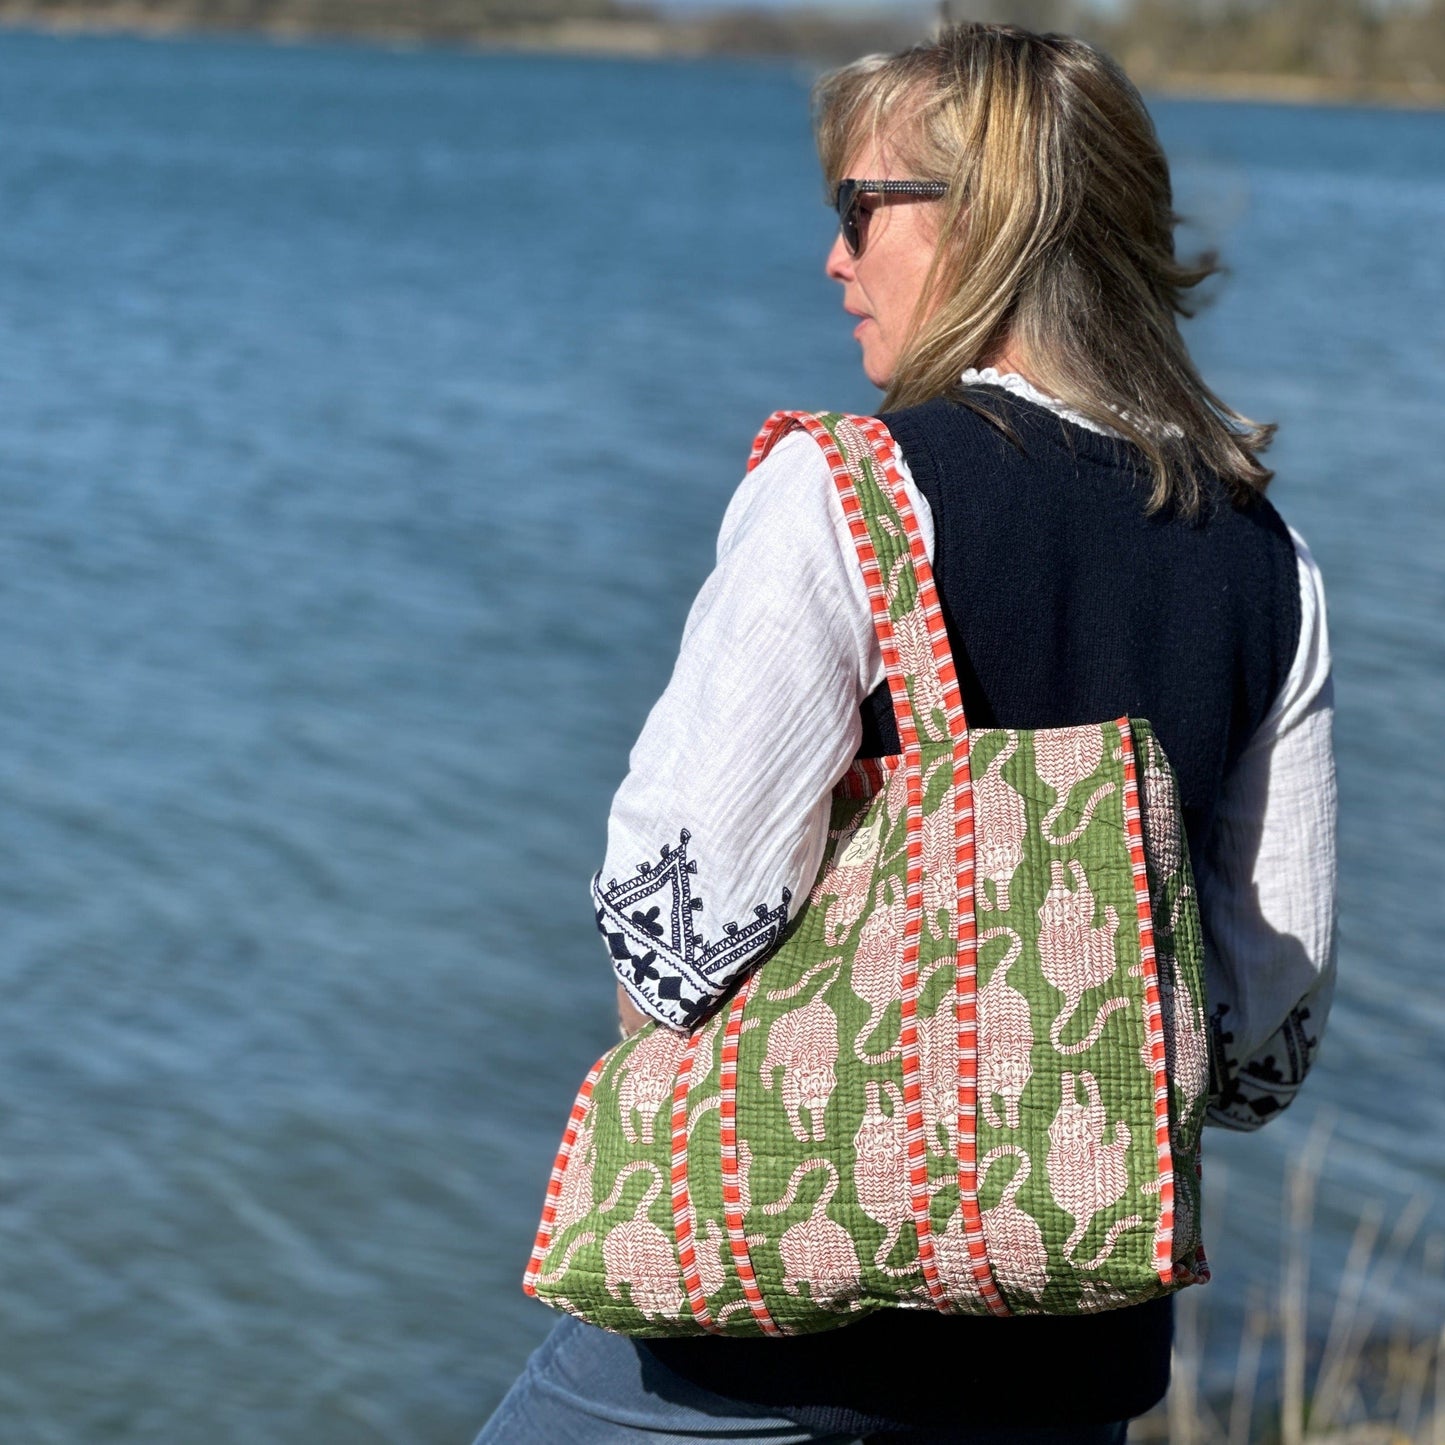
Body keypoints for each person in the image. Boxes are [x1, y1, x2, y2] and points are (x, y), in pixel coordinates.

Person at [475, 21, 1336, 1445]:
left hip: (753, 1340)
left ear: (986, 222)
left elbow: (670, 933)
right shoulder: (1263, 555)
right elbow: (1259, 1046)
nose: (834, 258)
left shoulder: (849, 489)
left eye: (855, 209)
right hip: (1067, 1365)